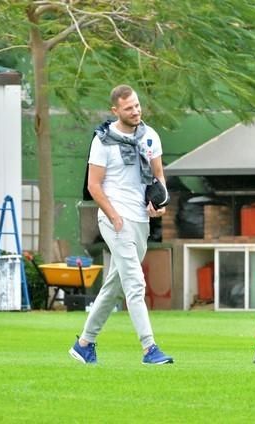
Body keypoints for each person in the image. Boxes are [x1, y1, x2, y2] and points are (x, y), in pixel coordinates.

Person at [69, 84, 173, 365]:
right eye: (129, 108)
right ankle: (149, 349)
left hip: (140, 220)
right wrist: (113, 215)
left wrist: (159, 202)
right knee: (135, 283)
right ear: (115, 110)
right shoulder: (103, 140)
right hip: (115, 219)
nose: (136, 111)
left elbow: (158, 176)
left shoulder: (149, 136)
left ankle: (84, 344)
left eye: (137, 105)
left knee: (113, 285)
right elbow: (93, 185)